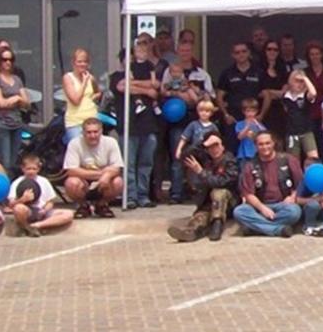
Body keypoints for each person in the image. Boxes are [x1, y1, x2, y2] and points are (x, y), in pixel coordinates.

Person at [160, 48, 213, 202]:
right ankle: (176, 193)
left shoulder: (200, 75)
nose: (185, 53)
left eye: (188, 49)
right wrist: (175, 94)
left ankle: (201, 192)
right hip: (177, 122)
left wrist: (192, 92)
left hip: (197, 122)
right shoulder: (168, 74)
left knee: (201, 157)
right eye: (182, 50)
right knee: (178, 158)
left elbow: (207, 96)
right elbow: (163, 91)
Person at [168, 129, 239, 243]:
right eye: (210, 147)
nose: (214, 149)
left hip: (227, 204)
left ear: (222, 146)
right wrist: (202, 143)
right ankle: (192, 233)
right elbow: (184, 156)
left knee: (218, 192)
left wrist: (201, 172)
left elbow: (221, 182)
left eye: (216, 145)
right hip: (207, 203)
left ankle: (217, 225)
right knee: (200, 218)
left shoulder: (230, 161)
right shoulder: (205, 159)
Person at [120, 34, 164, 209]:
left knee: (146, 164)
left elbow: (156, 85)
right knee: (129, 164)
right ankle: (130, 196)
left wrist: (141, 86)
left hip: (149, 126)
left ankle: (143, 195)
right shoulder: (116, 76)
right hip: (129, 127)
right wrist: (146, 91)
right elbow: (123, 86)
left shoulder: (149, 66)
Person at [233, 130, 302, 237]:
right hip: (259, 206)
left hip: (283, 205)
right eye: (260, 144)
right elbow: (248, 194)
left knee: (295, 212)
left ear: (273, 143)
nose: (265, 147)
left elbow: (300, 184)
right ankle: (278, 230)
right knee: (239, 211)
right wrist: (262, 208)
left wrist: (293, 197)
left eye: (267, 143)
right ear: (255, 146)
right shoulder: (250, 165)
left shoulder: (288, 160)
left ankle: (256, 228)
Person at [61, 117, 123, 217]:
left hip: (103, 182)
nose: (92, 135)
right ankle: (83, 206)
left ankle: (102, 205)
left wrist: (107, 176)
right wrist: (103, 173)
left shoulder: (111, 142)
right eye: (89, 132)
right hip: (83, 181)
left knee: (118, 182)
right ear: (83, 132)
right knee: (71, 183)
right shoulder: (74, 143)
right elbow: (71, 171)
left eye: (95, 132)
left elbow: (117, 168)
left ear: (101, 131)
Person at [7, 151, 74, 237]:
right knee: (18, 209)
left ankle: (36, 226)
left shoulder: (44, 181)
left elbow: (50, 201)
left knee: (68, 214)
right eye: (28, 169)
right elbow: (11, 204)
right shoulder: (17, 182)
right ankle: (24, 226)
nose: (31, 171)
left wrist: (45, 210)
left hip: (41, 211)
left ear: (38, 169)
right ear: (23, 168)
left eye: (34, 169)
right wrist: (22, 199)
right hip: (28, 211)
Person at [0, 46, 29, 173]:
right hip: (1, 125)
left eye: (11, 59)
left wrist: (17, 100)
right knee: (5, 162)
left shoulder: (17, 79)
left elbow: (26, 103)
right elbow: (0, 103)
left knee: (14, 162)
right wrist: (16, 98)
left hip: (17, 124)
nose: (8, 62)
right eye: (4, 59)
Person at [215, 41, 264, 128]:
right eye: (237, 52)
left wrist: (261, 115)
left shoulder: (259, 72)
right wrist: (226, 115)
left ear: (249, 52)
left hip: (253, 118)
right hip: (234, 118)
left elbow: (267, 95)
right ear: (233, 55)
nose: (241, 54)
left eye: (244, 51)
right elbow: (219, 97)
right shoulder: (227, 73)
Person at [281, 62, 320, 164]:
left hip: (306, 131)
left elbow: (314, 93)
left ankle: (313, 178)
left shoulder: (305, 95)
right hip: (292, 132)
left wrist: (305, 78)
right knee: (293, 161)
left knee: (313, 158)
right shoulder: (286, 96)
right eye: (297, 81)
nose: (299, 84)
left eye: (301, 82)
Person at [61, 48, 101, 133]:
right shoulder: (68, 78)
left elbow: (98, 92)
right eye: (79, 61)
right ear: (73, 63)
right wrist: (84, 82)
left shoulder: (91, 78)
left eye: (85, 62)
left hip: (92, 121)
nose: (82, 64)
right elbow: (75, 100)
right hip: (75, 123)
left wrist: (92, 98)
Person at [257, 37, 290, 135]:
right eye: (269, 49)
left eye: (275, 49)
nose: (272, 52)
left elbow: (285, 92)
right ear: (264, 51)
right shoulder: (258, 68)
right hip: (262, 110)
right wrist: (271, 93)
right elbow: (259, 92)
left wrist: (270, 92)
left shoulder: (282, 68)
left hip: (279, 110)